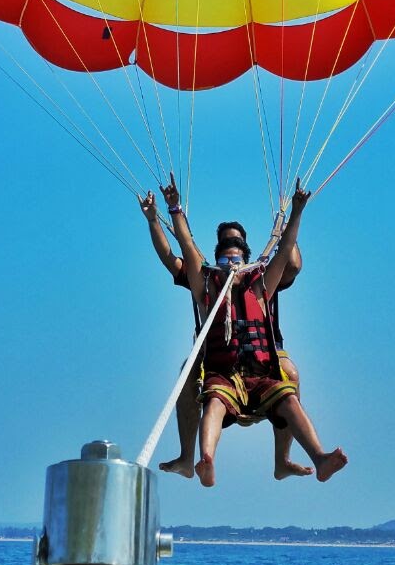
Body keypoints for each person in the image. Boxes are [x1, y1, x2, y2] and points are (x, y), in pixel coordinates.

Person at [159, 173, 347, 487]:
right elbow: (184, 247)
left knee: (288, 393)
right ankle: (205, 458)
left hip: (261, 372)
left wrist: (296, 211)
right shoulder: (206, 286)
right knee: (213, 401)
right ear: (216, 260)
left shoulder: (259, 285)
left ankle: (318, 458)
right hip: (224, 373)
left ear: (246, 260)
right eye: (223, 257)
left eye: (235, 257)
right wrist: (172, 210)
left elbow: (287, 254)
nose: (230, 262)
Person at [138, 193, 312, 480]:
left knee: (290, 372)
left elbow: (291, 262)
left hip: (264, 353)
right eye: (225, 247)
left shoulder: (260, 277)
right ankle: (188, 456)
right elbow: (173, 256)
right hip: (217, 355)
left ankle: (283, 459)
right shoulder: (207, 277)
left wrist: (288, 222)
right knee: (187, 373)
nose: (231, 258)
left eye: (237, 246)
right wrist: (156, 219)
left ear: (246, 252)